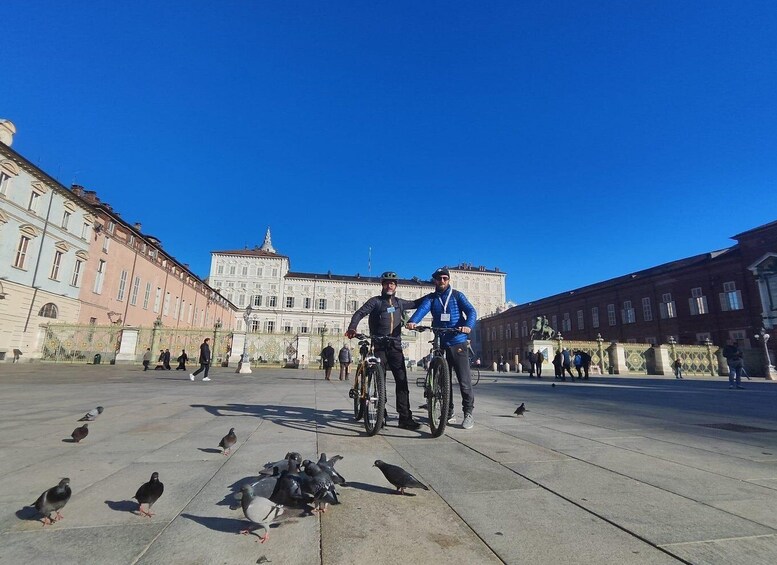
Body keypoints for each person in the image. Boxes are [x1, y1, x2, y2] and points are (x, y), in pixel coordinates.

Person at [346, 271, 422, 430]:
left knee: (402, 382)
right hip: (379, 345)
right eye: (387, 283)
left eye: (392, 283)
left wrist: (434, 295)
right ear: (382, 285)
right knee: (379, 381)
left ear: (396, 286)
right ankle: (381, 413)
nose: (390, 285)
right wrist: (352, 327)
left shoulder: (399, 303)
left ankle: (405, 417)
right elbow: (360, 313)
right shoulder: (375, 302)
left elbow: (416, 303)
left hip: (395, 346)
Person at [406, 267, 477, 430]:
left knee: (464, 381)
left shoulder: (458, 296)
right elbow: (422, 309)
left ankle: (468, 413)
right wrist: (413, 321)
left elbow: (471, 311)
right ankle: (448, 411)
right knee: (443, 382)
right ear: (435, 281)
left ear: (449, 280)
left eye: (445, 278)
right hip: (441, 341)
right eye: (439, 279)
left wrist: (468, 326)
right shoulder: (432, 298)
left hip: (458, 340)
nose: (442, 281)